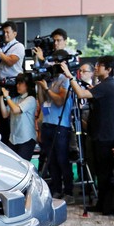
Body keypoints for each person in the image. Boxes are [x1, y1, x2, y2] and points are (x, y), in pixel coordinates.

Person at [62, 55, 114, 211]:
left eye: (100, 65)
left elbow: (81, 95)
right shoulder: (110, 85)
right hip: (106, 134)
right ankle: (103, 204)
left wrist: (70, 76)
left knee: (104, 173)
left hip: (104, 136)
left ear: (108, 69)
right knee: (102, 172)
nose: (96, 67)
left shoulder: (108, 85)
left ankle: (106, 206)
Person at [36, 49, 73, 203]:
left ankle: (69, 192)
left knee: (62, 160)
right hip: (47, 124)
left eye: (57, 61)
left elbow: (60, 101)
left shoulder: (65, 79)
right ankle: (57, 190)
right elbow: (44, 101)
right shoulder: (51, 79)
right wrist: (40, 86)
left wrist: (46, 88)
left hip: (61, 125)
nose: (54, 65)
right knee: (51, 160)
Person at [0, 73, 37, 161]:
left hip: (26, 139)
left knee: (23, 166)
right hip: (13, 139)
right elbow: (5, 114)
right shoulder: (16, 99)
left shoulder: (30, 99)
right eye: (17, 83)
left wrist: (7, 97)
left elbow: (16, 110)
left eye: (20, 83)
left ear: (27, 85)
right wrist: (0, 98)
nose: (17, 86)